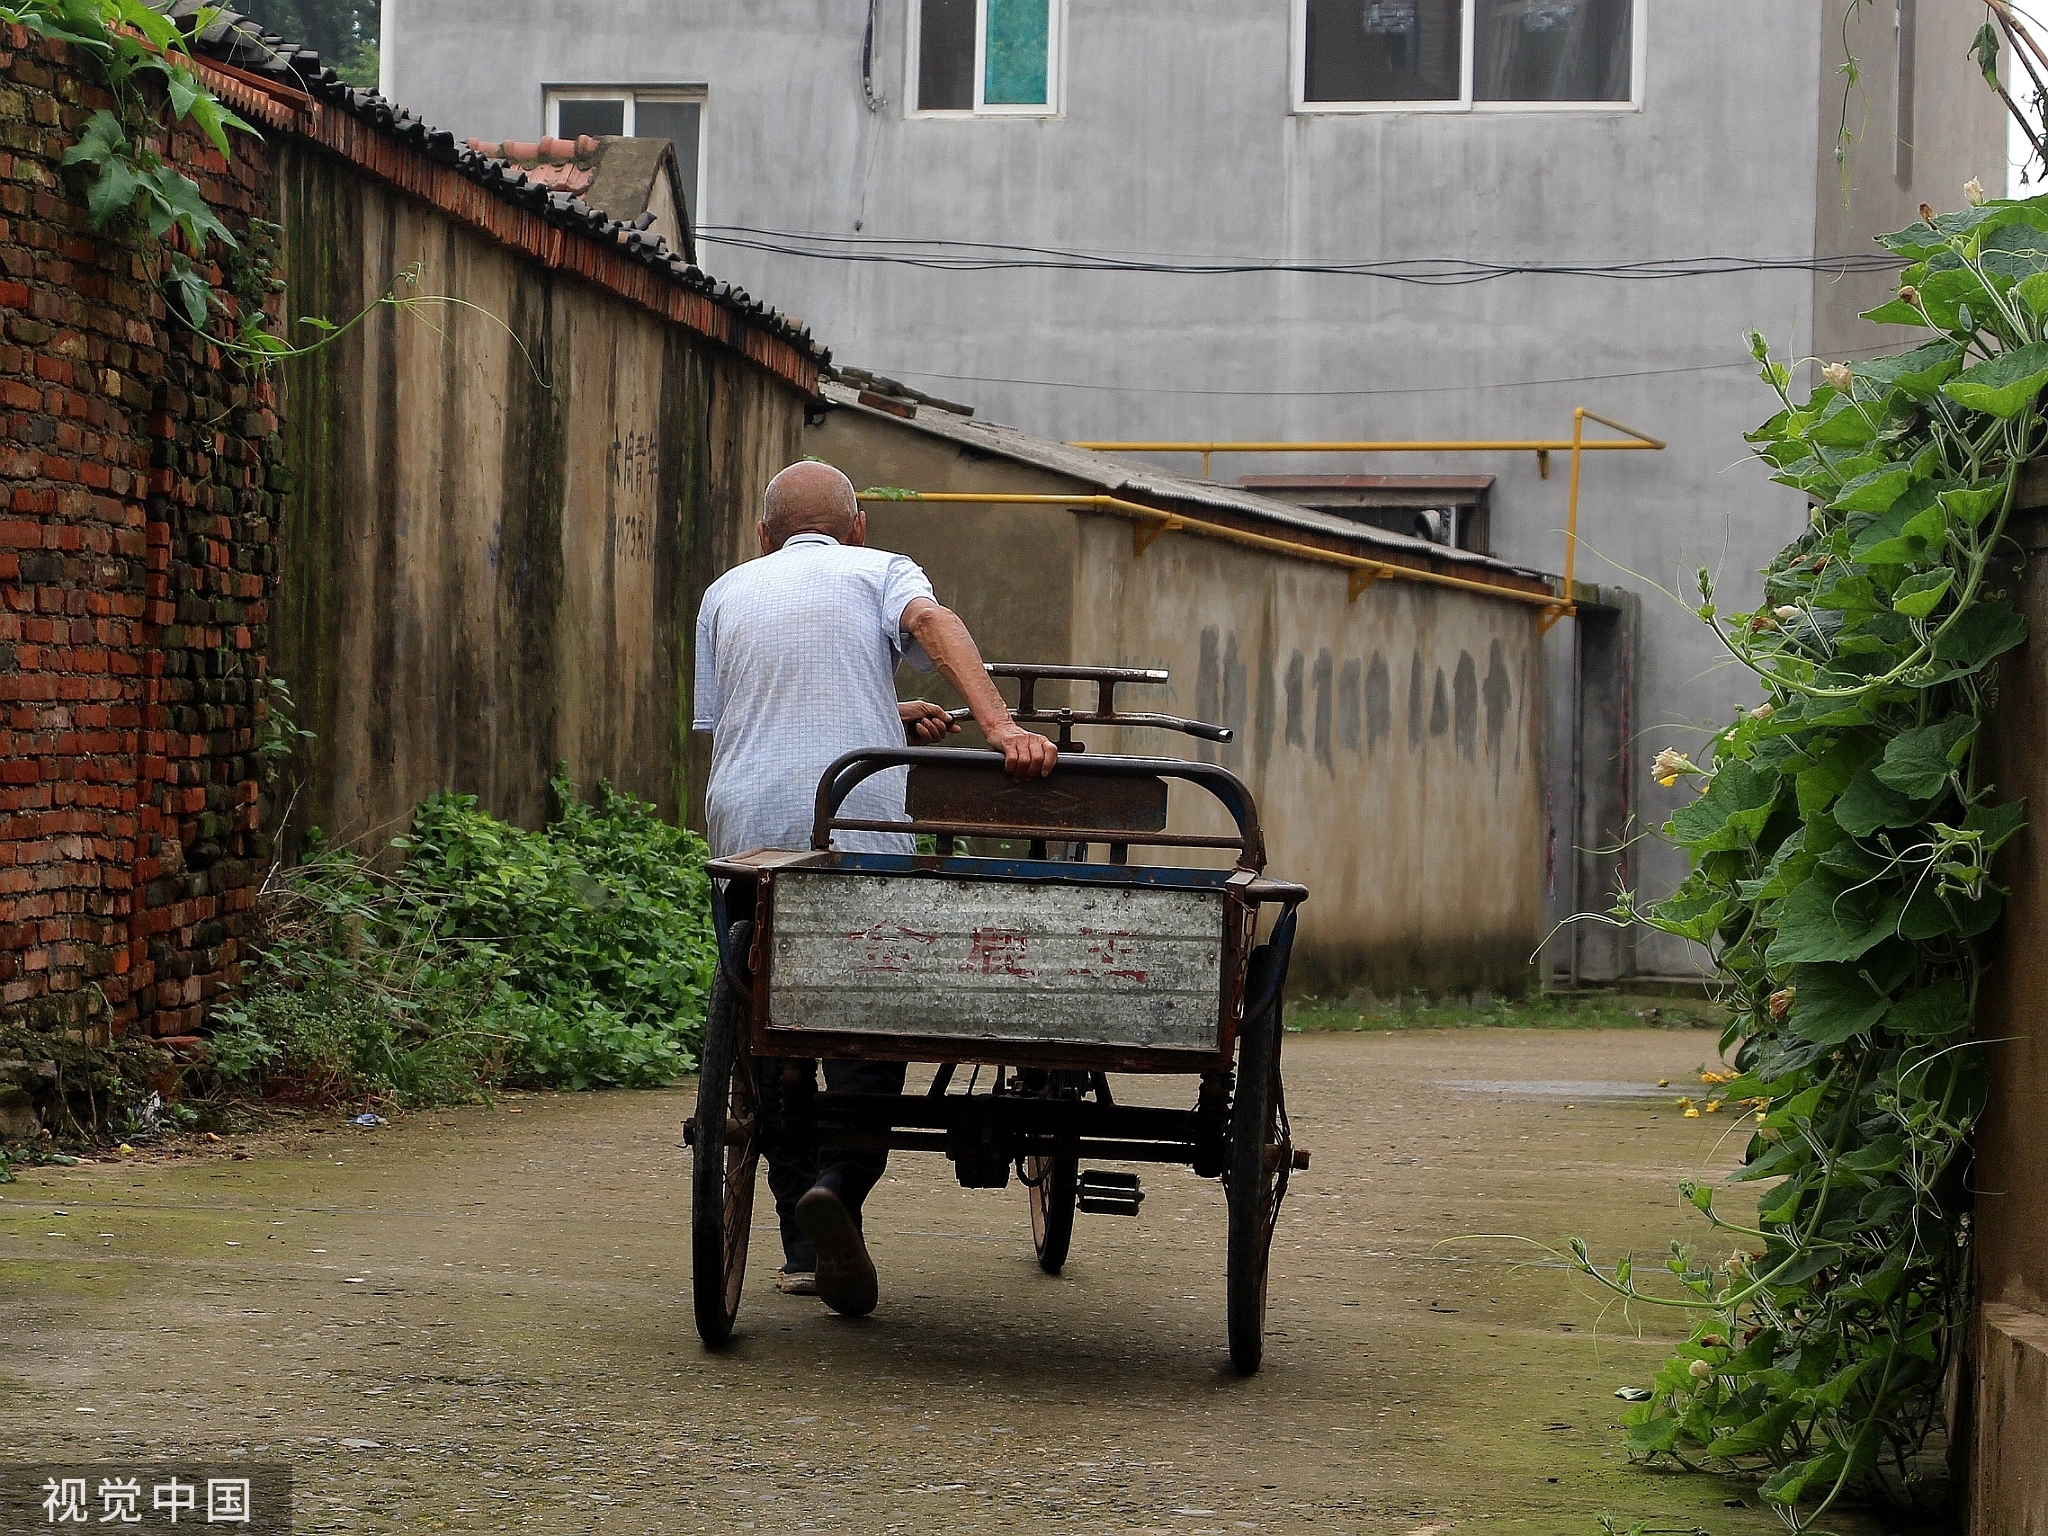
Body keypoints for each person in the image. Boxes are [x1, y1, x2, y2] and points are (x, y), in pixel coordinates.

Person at [692, 460, 1058, 1317]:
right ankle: (841, 1186)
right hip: (852, 824)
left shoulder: (725, 591)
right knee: (868, 1018)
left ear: (764, 536)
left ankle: (798, 1243)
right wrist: (1001, 727)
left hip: (748, 832)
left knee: (766, 1026)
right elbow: (931, 620)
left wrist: (883, 713)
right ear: (857, 527)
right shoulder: (881, 570)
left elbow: (753, 709)